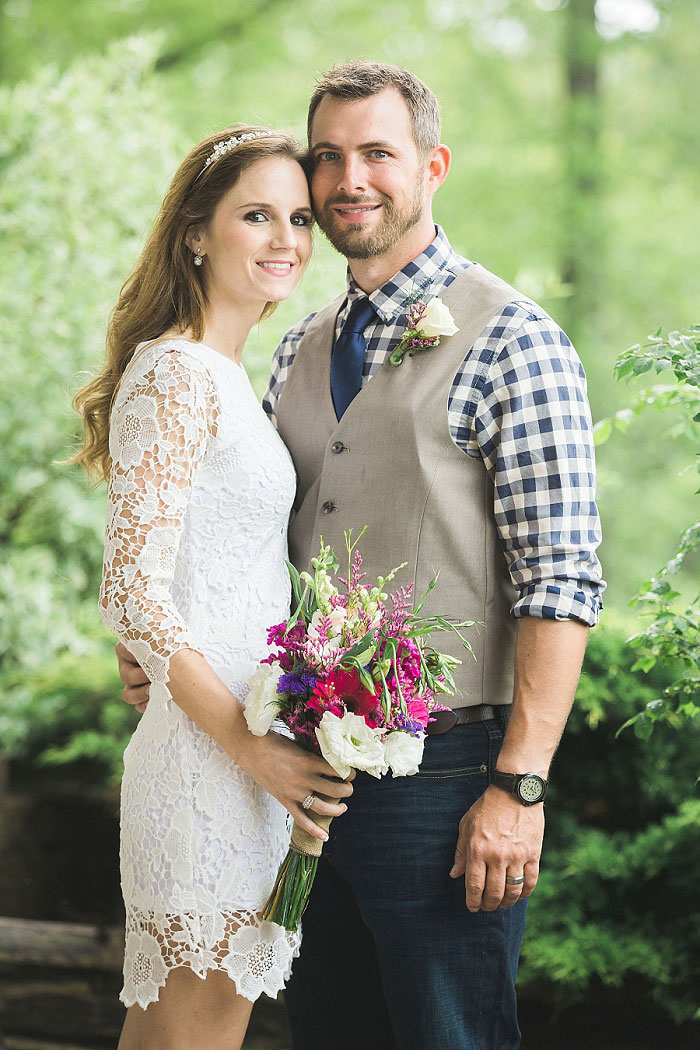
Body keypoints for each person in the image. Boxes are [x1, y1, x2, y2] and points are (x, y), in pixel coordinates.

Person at [118, 62, 605, 1050]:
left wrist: (519, 787)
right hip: (295, 774)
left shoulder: (515, 340)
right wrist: (163, 653)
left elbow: (561, 578)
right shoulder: (295, 346)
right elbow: (233, 527)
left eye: (377, 152)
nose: (349, 179)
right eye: (327, 158)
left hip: (449, 775)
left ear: (432, 166)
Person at [73, 125, 354, 1050]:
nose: (286, 240)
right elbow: (133, 593)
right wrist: (253, 750)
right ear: (197, 233)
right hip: (214, 760)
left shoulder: (230, 377)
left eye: (300, 219)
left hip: (240, 752)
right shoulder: (182, 372)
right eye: (256, 215)